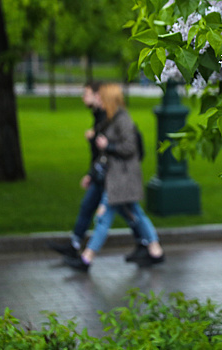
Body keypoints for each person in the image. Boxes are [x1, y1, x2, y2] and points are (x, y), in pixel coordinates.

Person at [64, 83, 164, 272]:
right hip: (116, 177)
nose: (98, 101)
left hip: (122, 178)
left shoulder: (122, 119)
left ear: (108, 99)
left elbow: (130, 148)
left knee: (104, 217)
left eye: (101, 98)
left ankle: (87, 258)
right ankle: (155, 250)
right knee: (134, 214)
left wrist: (107, 145)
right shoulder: (111, 119)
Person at [47, 82, 148, 264]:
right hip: (107, 174)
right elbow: (102, 152)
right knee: (120, 211)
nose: (84, 98)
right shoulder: (106, 116)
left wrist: (101, 144)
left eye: (88, 94)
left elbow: (128, 147)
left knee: (112, 215)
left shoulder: (118, 118)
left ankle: (86, 256)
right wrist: (92, 171)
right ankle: (148, 246)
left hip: (116, 176)